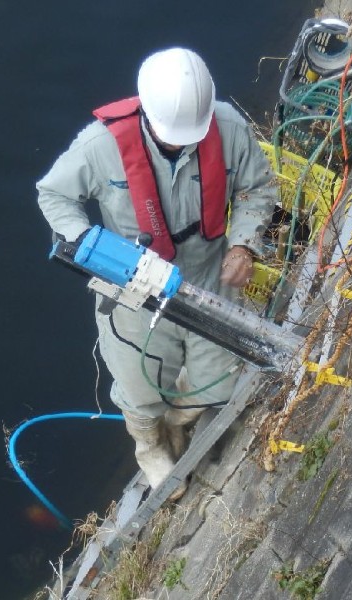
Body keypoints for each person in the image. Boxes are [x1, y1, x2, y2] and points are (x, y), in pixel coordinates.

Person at [36, 48, 275, 500]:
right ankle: (150, 446)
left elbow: (257, 187)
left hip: (207, 269)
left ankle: (179, 424)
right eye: (172, 138)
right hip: (134, 281)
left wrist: (243, 244)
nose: (181, 144)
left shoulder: (226, 127)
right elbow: (53, 196)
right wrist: (89, 244)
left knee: (218, 381)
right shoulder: (99, 146)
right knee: (139, 383)